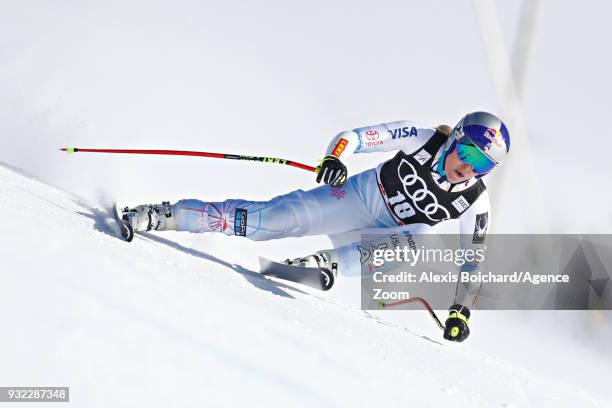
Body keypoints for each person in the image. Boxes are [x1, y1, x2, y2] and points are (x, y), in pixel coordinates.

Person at [123, 111, 510, 342]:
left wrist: (460, 310)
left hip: (380, 241)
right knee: (262, 222)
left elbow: (472, 262)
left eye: (482, 165)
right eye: (468, 152)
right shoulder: (421, 137)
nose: (468, 167)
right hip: (354, 201)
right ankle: (163, 214)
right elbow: (354, 138)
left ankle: (326, 265)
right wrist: (335, 159)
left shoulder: (475, 200)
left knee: (420, 240)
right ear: (454, 138)